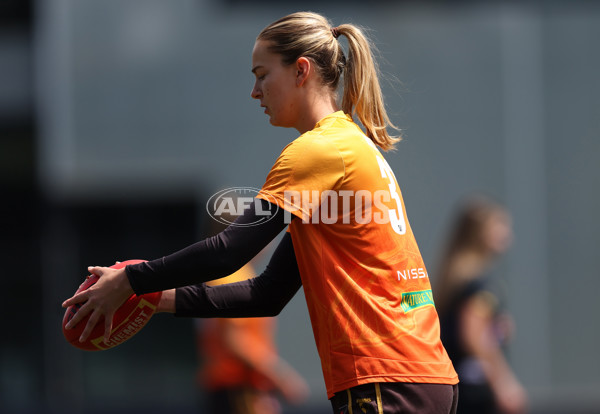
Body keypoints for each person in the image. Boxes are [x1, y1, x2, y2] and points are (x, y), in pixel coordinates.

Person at [63, 11, 459, 413]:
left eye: (262, 74)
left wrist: (131, 279)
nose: (255, 91)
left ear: (300, 70)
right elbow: (267, 292)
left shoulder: (316, 152)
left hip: (385, 378)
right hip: (418, 372)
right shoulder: (349, 147)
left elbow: (228, 251)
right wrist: (154, 298)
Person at [433, 196, 528, 414]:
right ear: (480, 233)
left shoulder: (456, 279)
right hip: (475, 394)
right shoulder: (479, 286)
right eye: (500, 226)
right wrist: (504, 384)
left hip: (457, 388)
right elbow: (473, 336)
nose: (507, 234)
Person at [196, 261, 309, 414]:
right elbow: (234, 340)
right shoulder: (232, 277)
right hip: (236, 386)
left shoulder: (228, 274)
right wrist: (280, 376)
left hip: (236, 385)